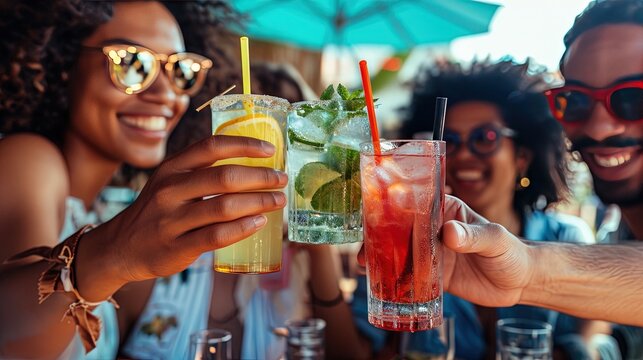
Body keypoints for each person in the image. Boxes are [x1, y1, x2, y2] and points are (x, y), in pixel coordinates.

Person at [0, 2, 288, 359]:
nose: (165, 93)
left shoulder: (98, 204)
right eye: (131, 64)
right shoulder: (30, 160)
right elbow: (10, 339)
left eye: (180, 70)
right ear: (63, 65)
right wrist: (117, 253)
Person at [358, 0, 643, 332]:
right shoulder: (617, 236)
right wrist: (522, 272)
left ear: (524, 154)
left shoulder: (571, 235)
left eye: (632, 97)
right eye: (576, 100)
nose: (599, 128)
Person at [351, 59, 609, 359]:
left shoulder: (566, 235)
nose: (463, 155)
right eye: (451, 140)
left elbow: (594, 328)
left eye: (485, 138)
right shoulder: (399, 240)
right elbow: (356, 349)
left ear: (522, 157)